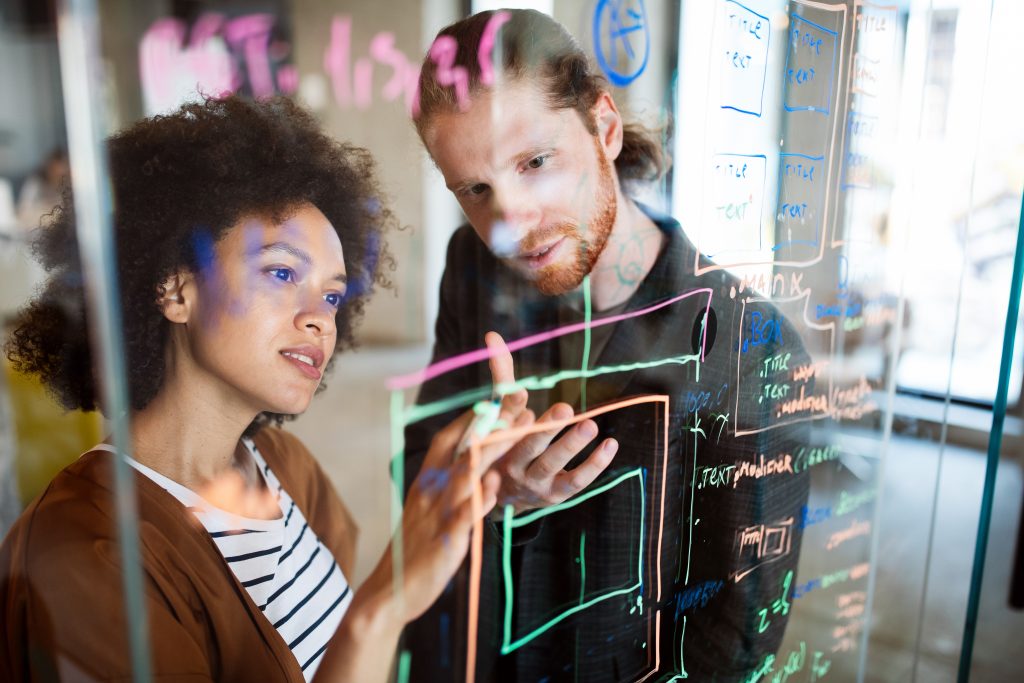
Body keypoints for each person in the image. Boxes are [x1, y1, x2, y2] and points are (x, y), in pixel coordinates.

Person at [0, 95, 537, 682]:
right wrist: (380, 608)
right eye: (282, 273)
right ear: (175, 290)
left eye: (332, 295)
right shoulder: (87, 551)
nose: (320, 319)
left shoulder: (288, 469)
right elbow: (365, 633)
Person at [402, 9, 812, 682]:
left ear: (606, 128)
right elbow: (419, 465)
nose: (510, 224)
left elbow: (732, 649)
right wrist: (493, 491)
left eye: (535, 163)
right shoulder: (472, 268)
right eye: (476, 189)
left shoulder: (752, 350)